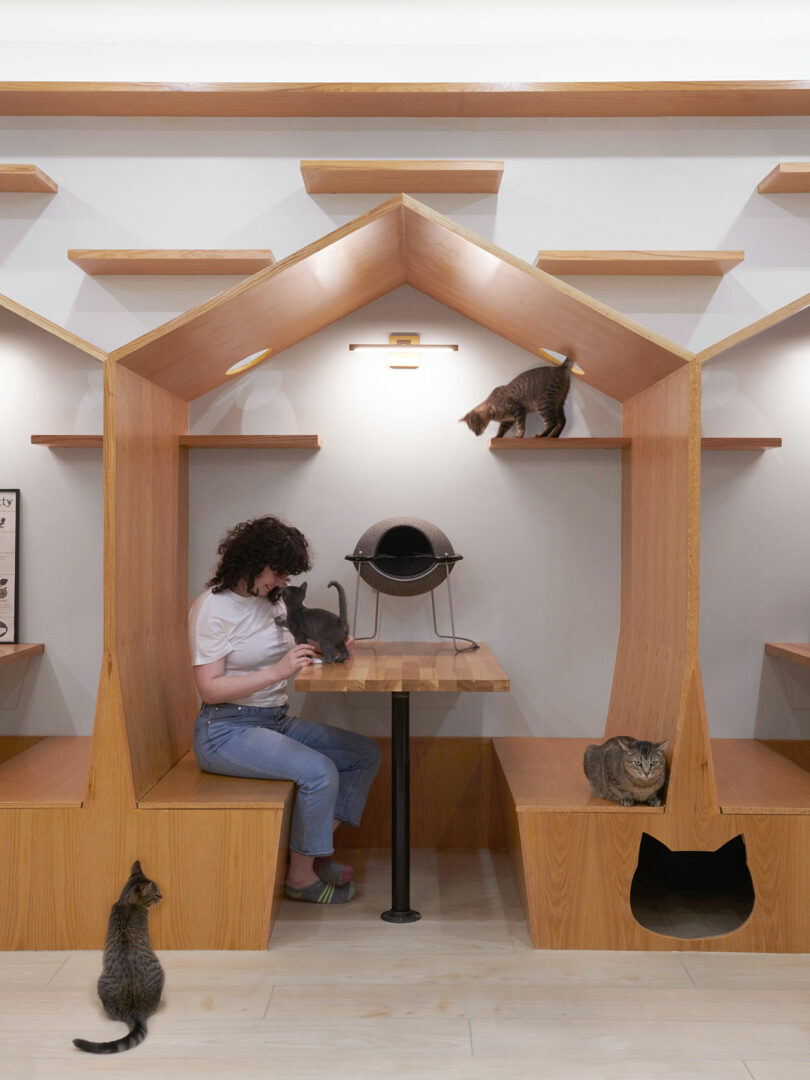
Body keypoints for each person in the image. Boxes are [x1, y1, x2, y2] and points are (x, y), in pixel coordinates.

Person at [188, 515, 382, 904]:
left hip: (272, 720)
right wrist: (278, 671)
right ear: (250, 560)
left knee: (365, 754)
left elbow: (300, 642)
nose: (281, 582)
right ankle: (301, 878)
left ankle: (309, 852)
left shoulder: (271, 602)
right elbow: (210, 690)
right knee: (320, 771)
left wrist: (335, 641)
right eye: (276, 572)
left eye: (285, 575)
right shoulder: (213, 608)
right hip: (225, 730)